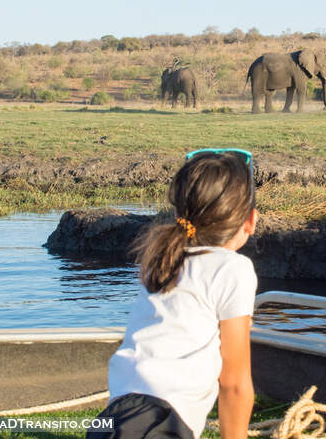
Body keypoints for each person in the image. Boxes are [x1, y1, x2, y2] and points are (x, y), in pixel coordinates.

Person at [87, 149, 259, 439]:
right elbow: (234, 383)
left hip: (115, 416)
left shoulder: (161, 259)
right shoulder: (233, 269)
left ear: (179, 214)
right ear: (250, 221)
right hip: (161, 422)